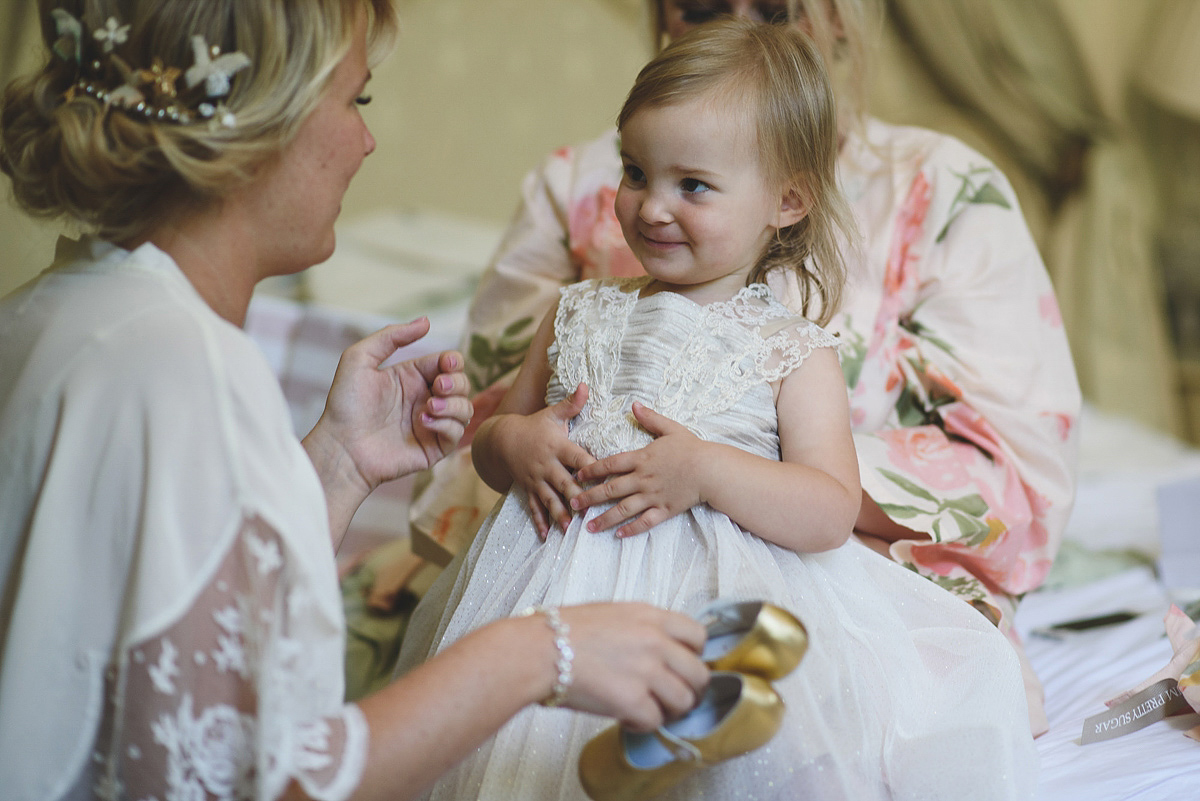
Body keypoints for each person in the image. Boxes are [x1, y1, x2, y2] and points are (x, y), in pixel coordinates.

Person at [0, 3, 711, 800]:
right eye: (355, 101)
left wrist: (338, 464)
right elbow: (264, 781)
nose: (365, 141)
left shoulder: (59, 312)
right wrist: (543, 651)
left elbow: (171, 632)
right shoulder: (177, 368)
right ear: (267, 121)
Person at [400, 0, 1081, 735]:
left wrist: (722, 472)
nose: (654, 209)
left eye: (775, 7)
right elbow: (493, 427)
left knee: (803, 723)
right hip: (562, 572)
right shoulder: (576, 244)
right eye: (701, 6)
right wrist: (515, 442)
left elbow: (973, 482)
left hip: (782, 574)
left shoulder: (923, 208)